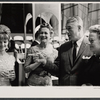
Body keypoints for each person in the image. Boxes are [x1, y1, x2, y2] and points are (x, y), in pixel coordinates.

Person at [42, 16, 93, 86]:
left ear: (79, 28)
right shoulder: (63, 48)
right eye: (66, 29)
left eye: (69, 28)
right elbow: (57, 70)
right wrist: (45, 63)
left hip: (82, 92)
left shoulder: (91, 46)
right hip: (65, 91)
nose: (66, 32)